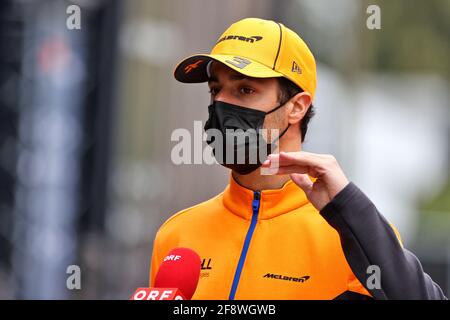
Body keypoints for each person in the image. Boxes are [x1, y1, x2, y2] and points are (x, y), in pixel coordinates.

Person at [149, 17, 446, 300]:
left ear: (297, 107)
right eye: (216, 90)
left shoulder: (353, 237)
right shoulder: (177, 235)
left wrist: (350, 207)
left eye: (245, 89)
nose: (221, 104)